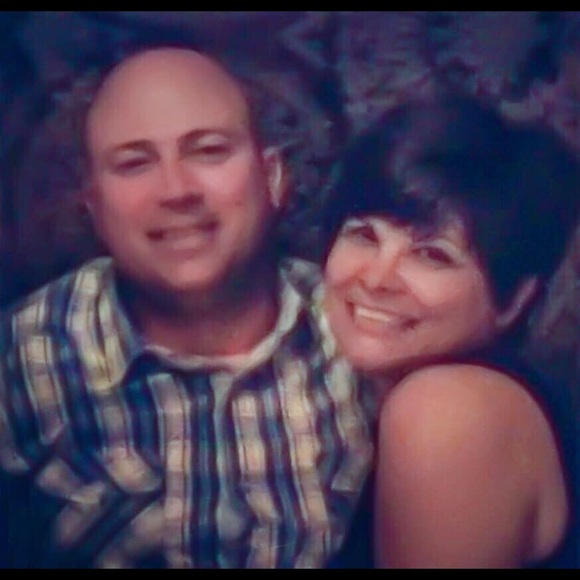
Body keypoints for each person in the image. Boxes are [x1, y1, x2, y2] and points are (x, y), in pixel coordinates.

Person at [0, 45, 375, 568]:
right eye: (134, 163)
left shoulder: (363, 334)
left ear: (272, 178)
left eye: (209, 151)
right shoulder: (21, 356)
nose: (176, 190)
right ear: (95, 206)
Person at [321, 96, 580, 568]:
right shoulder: (486, 399)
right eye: (364, 234)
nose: (376, 278)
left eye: (432, 255)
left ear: (514, 300)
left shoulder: (445, 409)